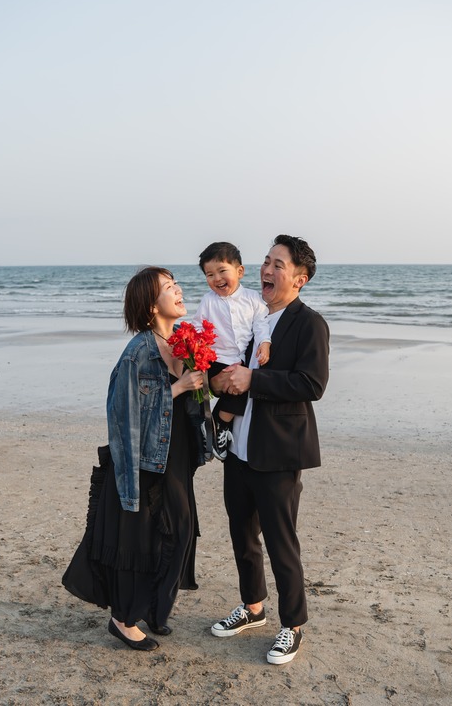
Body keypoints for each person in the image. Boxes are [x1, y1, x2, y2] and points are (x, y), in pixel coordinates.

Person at [62, 267, 216, 652]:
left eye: (176, 283)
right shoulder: (138, 354)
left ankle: (153, 608)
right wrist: (178, 388)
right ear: (150, 307)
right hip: (146, 461)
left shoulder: (183, 340)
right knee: (142, 542)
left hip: (176, 457)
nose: (179, 290)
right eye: (168, 287)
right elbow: (123, 416)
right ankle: (122, 620)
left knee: (179, 533)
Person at [207, 235, 329, 665]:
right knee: (242, 534)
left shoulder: (308, 323)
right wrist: (215, 381)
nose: (267, 271)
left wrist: (253, 380)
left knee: (281, 542)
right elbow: (229, 371)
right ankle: (253, 608)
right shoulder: (254, 318)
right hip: (239, 449)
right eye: (265, 262)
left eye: (278, 265)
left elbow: (311, 384)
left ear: (300, 278)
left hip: (279, 451)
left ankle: (293, 626)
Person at [188, 241, 271, 460]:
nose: (216, 279)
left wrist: (265, 343)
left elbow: (261, 324)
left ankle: (217, 424)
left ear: (240, 271)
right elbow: (197, 325)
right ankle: (219, 427)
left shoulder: (253, 299)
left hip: (241, 360)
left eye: (222, 271)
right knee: (235, 391)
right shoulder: (208, 301)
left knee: (241, 390)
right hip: (216, 358)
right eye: (209, 275)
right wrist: (196, 346)